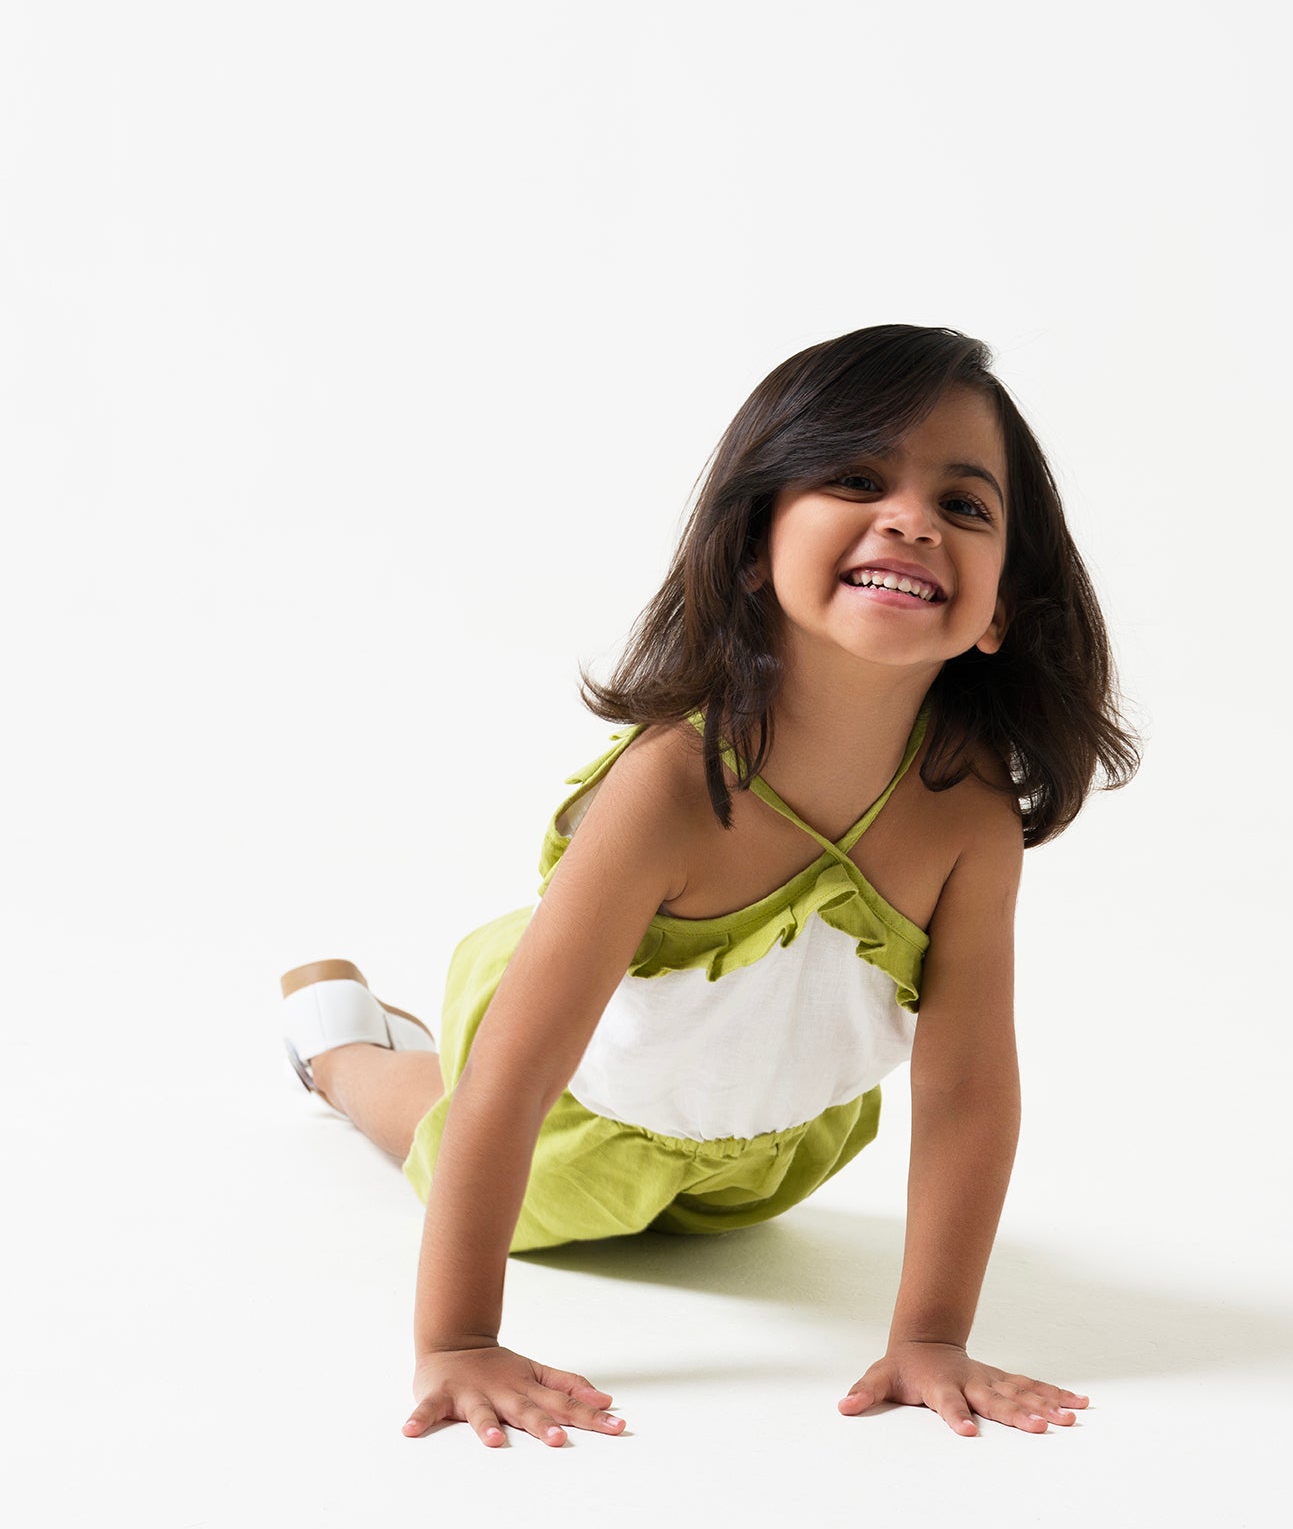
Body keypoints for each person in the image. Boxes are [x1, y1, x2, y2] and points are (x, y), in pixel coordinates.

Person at [279, 322, 1140, 1449]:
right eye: (858, 477)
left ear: (1000, 611)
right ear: (751, 544)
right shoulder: (675, 786)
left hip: (769, 1156)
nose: (913, 517)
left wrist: (930, 1331)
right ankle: (340, 1044)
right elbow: (517, 1075)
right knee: (424, 1115)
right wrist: (457, 1341)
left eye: (966, 505)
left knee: (696, 1203)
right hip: (572, 1124)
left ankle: (391, 1047)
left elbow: (970, 1086)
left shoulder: (970, 816)